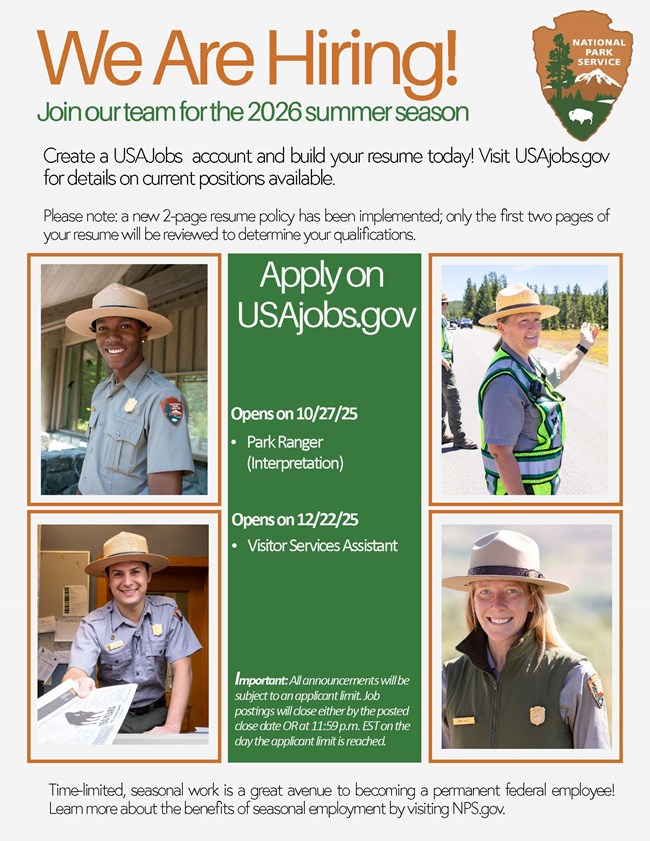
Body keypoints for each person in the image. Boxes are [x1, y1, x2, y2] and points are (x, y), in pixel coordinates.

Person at [441, 530, 610, 749]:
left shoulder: (573, 677)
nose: (497, 604)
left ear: (532, 601)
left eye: (511, 591)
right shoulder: (448, 681)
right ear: (472, 601)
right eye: (484, 592)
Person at [62, 532, 202, 734]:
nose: (127, 582)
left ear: (148, 575)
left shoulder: (168, 612)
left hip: (157, 715)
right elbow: (76, 671)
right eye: (118, 574)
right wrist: (75, 684)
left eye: (135, 571)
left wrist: (172, 726)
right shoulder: (93, 624)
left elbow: (183, 669)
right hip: (109, 716)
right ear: (108, 579)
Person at [65, 283, 195, 495]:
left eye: (125, 326)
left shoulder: (162, 398)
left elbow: (166, 500)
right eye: (102, 328)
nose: (112, 337)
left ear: (143, 333)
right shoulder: (100, 392)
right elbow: (92, 471)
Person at [478, 285, 599, 495]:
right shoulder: (504, 382)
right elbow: (500, 452)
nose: (533, 328)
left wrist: (582, 346)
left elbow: (557, 374)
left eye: (537, 320)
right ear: (501, 328)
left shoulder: (526, 360)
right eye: (523, 321)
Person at [441, 292, 477, 450]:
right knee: (453, 399)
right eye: (443, 303)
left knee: (441, 401)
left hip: (444, 364)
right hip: (441, 366)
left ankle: (439, 435)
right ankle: (459, 438)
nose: (444, 306)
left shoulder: (440, 320)